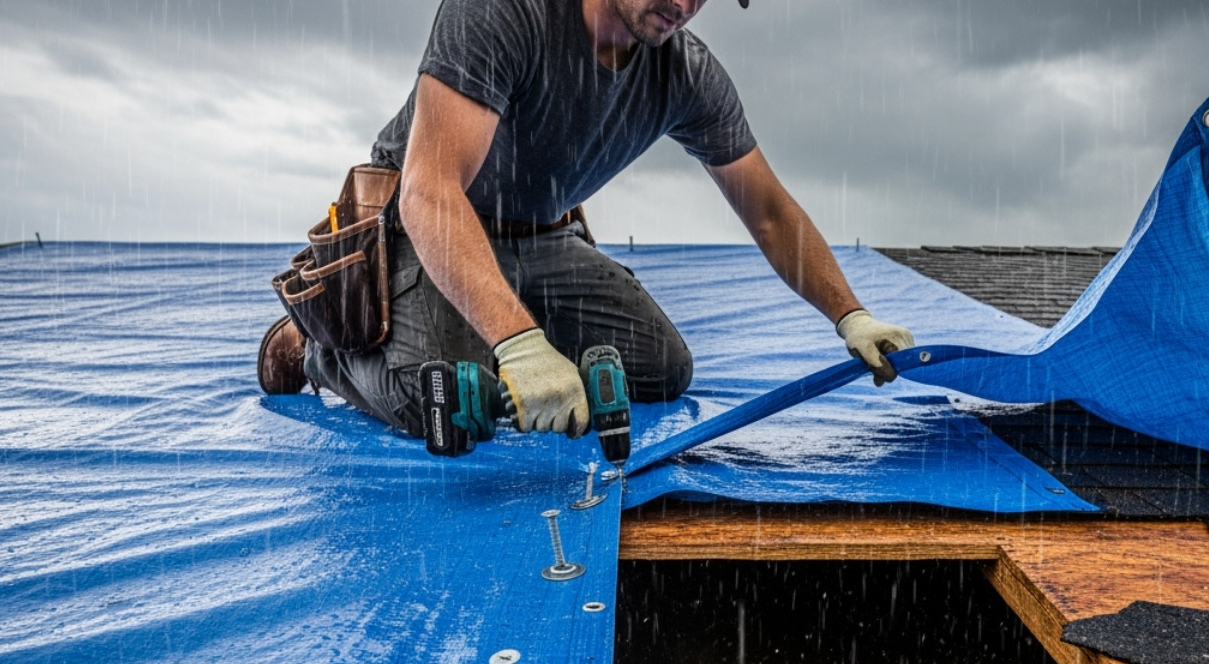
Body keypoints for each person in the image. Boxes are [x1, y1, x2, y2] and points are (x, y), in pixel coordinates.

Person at [258, 0, 915, 442]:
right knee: (447, 405)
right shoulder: (505, 12)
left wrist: (849, 315)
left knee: (660, 369)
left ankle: (509, 348)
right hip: (422, 233)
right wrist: (520, 345)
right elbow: (431, 194)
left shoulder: (686, 74)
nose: (683, 1)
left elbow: (769, 212)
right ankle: (317, 349)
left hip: (544, 237)